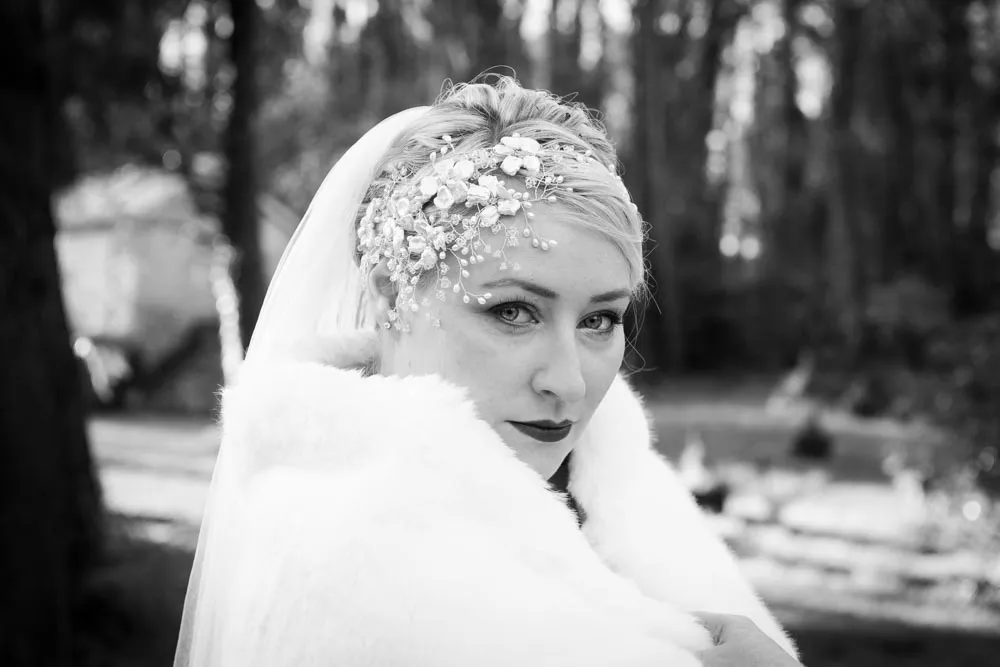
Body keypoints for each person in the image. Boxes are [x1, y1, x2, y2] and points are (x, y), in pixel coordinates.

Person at [174, 76, 800, 667]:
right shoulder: (348, 562)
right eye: (514, 311)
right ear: (392, 294)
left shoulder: (622, 487)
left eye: (600, 320)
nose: (571, 383)